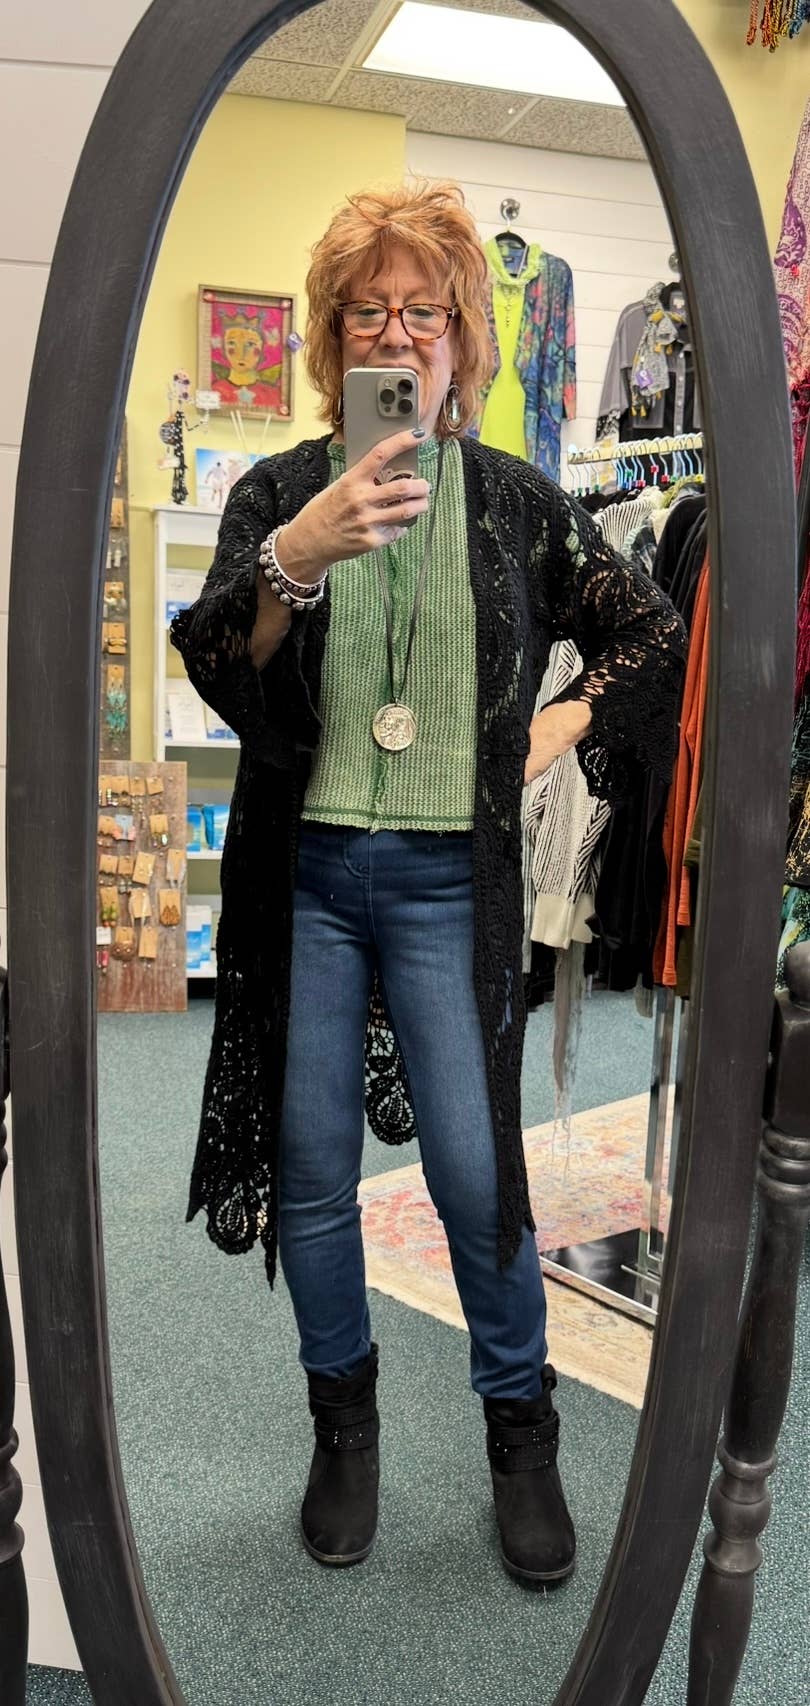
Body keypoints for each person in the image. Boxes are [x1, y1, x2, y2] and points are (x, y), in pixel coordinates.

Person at [171, 180, 686, 1585]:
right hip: (308, 880)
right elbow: (216, 656)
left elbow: (651, 631)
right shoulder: (282, 490)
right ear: (333, 337)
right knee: (312, 1171)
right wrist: (299, 555)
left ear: (464, 336)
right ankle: (344, 1430)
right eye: (367, 311)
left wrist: (553, 729)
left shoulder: (516, 502)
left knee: (473, 1173)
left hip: (451, 886)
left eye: (424, 310)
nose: (397, 332)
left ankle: (521, 1434)